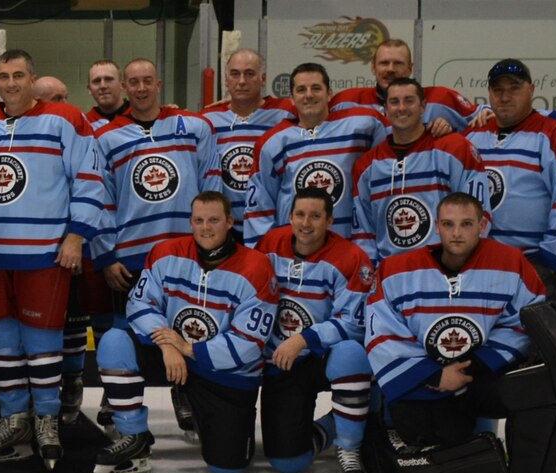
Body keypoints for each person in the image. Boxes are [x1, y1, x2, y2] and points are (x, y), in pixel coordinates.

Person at [367, 193, 556, 473]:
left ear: (482, 225)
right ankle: (387, 440)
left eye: (466, 224)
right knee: (460, 465)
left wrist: (479, 364)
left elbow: (527, 320)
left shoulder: (512, 264)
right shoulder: (396, 270)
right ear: (437, 227)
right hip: (424, 385)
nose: (457, 233)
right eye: (448, 225)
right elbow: (382, 333)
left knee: (543, 392)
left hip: (481, 376)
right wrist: (434, 375)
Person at [0, 49, 107, 470]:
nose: (11, 83)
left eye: (19, 75)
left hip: (45, 251)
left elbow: (89, 175)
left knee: (42, 344)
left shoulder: (64, 118)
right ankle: (14, 418)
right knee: (2, 346)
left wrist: (77, 234)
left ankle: (46, 418)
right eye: (3, 76)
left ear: (33, 77)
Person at [94, 192, 276, 473]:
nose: (206, 227)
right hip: (172, 356)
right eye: (199, 220)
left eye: (214, 220)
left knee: (227, 467)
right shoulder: (166, 251)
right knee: (115, 342)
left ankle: (200, 406)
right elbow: (138, 303)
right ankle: (134, 437)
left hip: (224, 373)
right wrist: (169, 345)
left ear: (229, 222)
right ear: (190, 222)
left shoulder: (257, 266)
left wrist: (188, 348)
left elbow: (249, 345)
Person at [89, 58, 220, 438]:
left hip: (186, 253)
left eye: (148, 80)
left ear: (159, 83)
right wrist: (107, 255)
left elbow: (212, 184)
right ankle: (119, 395)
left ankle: (185, 393)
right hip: (132, 254)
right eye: (135, 82)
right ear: (125, 89)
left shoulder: (195, 126)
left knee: (188, 325)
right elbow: (101, 200)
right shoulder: (108, 138)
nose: (142, 88)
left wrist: (211, 244)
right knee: (125, 329)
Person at [254, 188, 375, 473]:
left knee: (351, 352)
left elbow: (354, 323)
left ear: (330, 220)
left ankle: (350, 445)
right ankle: (344, 419)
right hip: (281, 361)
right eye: (300, 215)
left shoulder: (352, 257)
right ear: (290, 216)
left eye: (315, 216)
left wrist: (304, 340)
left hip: (322, 357)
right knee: (288, 463)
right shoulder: (269, 244)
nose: (306, 223)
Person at [461, 59, 556, 301]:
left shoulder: (554, 135)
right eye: (498, 90)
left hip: (534, 265)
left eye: (514, 88)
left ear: (531, 89)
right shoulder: (473, 135)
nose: (505, 97)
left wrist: (550, 260)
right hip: (478, 264)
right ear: (489, 94)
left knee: (539, 338)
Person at [242, 63, 383, 247]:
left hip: (348, 249)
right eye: (301, 90)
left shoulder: (363, 125)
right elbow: (260, 206)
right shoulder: (273, 143)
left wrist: (432, 125)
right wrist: (264, 253)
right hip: (295, 252)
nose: (309, 95)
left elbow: (402, 135)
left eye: (316, 88)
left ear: (329, 94)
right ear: (292, 98)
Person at [350, 77, 488, 262]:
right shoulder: (366, 166)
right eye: (394, 102)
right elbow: (363, 233)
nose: (401, 108)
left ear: (423, 106)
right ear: (385, 109)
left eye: (409, 101)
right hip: (392, 275)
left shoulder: (454, 149)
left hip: (443, 271)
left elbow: (479, 214)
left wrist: (459, 268)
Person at [329, 38, 486, 136]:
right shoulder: (346, 101)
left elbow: (487, 117)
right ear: (373, 68)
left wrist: (450, 132)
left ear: (410, 68)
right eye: (384, 63)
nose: (390, 69)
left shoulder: (441, 98)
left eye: (398, 63)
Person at [201, 49, 296, 205]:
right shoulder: (207, 119)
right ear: (226, 79)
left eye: (250, 73)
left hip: (270, 220)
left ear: (263, 78)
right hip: (223, 223)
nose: (242, 81)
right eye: (235, 74)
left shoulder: (286, 112)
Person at [85, 59, 127, 128]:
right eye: (97, 81)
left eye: (109, 79)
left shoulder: (140, 116)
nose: (103, 86)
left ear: (122, 85)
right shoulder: (85, 125)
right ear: (90, 89)